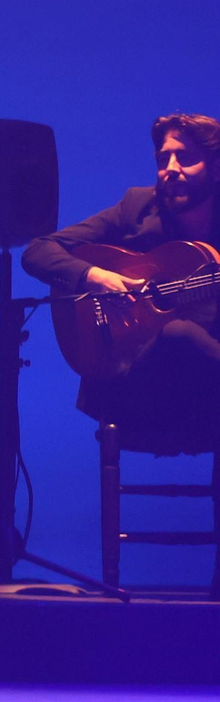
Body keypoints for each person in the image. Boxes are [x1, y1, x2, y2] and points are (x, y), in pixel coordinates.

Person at [22, 112, 220, 590]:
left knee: (190, 340)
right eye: (163, 157)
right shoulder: (136, 208)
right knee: (176, 335)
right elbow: (39, 251)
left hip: (205, 402)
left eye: (185, 158)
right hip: (131, 386)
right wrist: (97, 276)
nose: (169, 167)